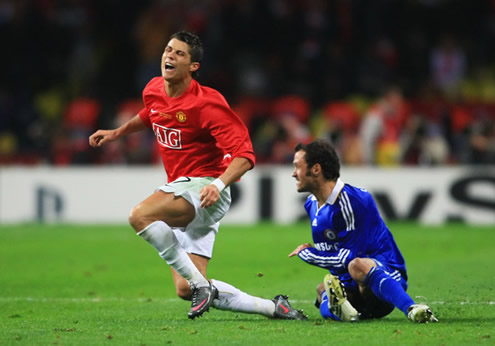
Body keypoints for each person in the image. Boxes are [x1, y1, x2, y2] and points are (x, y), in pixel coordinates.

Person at [89, 31, 306, 320]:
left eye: (180, 53)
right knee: (185, 288)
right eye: (168, 49)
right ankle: (272, 307)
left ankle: (203, 288)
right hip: (185, 192)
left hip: (205, 189)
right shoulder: (153, 89)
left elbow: (245, 155)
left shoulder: (207, 103)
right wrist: (117, 132)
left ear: (193, 67)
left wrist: (218, 184)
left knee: (139, 216)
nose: (170, 55)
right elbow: (150, 114)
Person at [288, 139, 438, 323]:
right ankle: (348, 313)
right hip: (353, 284)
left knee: (357, 265)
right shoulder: (311, 204)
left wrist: (308, 253)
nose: (293, 174)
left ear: (316, 169)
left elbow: (348, 258)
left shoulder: (353, 201)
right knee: (322, 290)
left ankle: (412, 309)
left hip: (383, 278)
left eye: (297, 167)